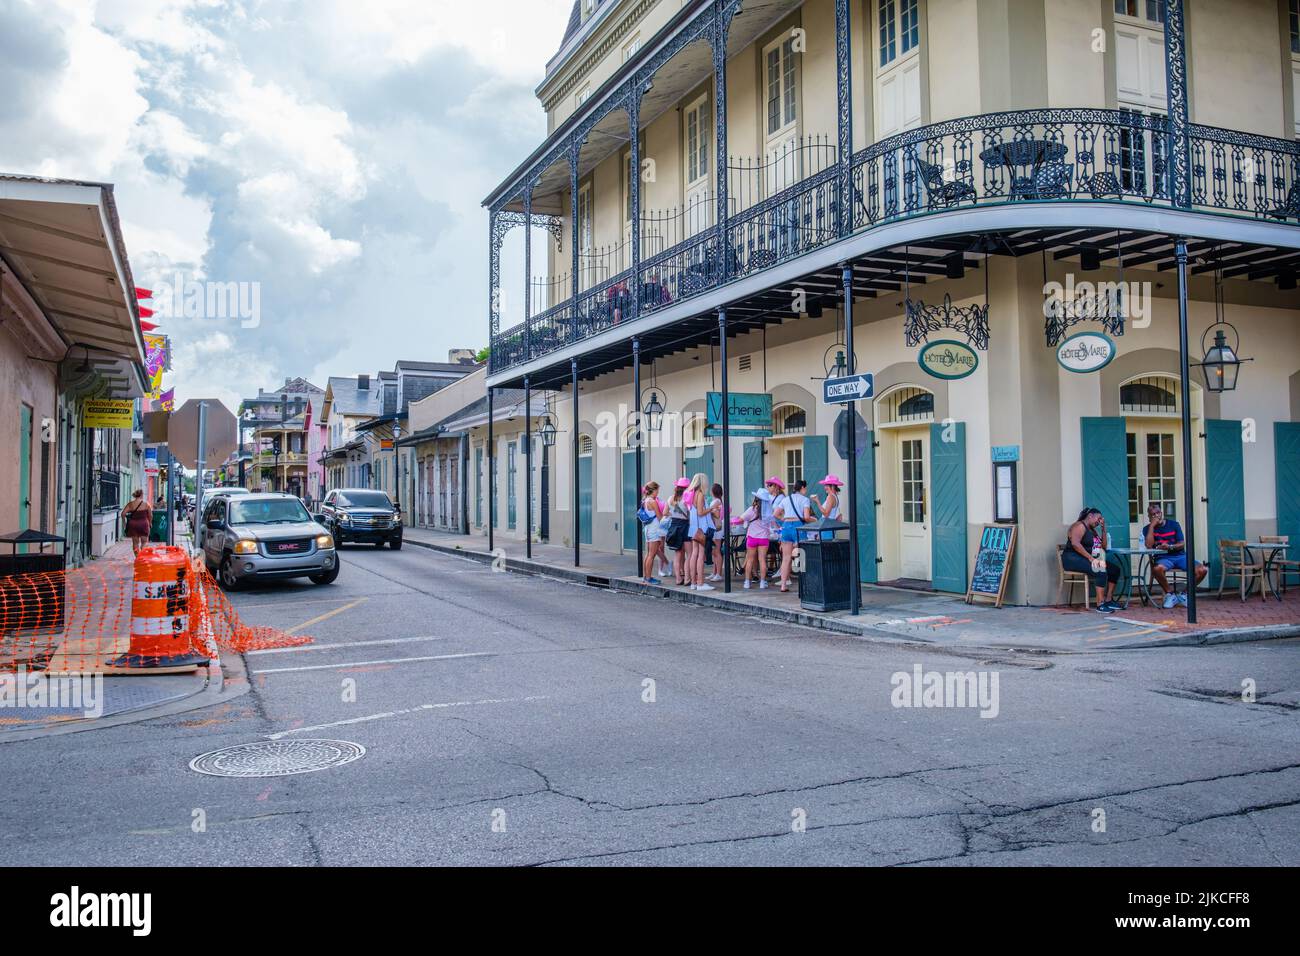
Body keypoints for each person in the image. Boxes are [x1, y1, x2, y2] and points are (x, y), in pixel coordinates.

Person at [1142, 503, 1208, 608]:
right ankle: (1170, 594)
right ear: (1149, 517)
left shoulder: (1174, 524)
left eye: (1158, 513)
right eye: (1152, 514)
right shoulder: (1147, 529)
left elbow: (1182, 543)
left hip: (1180, 556)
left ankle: (1184, 594)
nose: (1156, 516)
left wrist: (1170, 546)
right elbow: (1149, 546)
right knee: (1157, 569)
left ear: (1161, 513)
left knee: (1203, 570)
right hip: (1163, 558)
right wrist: (1152, 526)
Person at [1064, 507, 1123, 613]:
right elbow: (1075, 544)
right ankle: (1100, 605)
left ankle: (1108, 600)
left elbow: (1103, 547)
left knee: (1114, 570)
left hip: (1085, 559)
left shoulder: (1093, 531)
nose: (1100, 521)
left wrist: (1103, 528)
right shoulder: (1079, 526)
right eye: (1099, 518)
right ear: (1090, 516)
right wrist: (1091, 558)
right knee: (1100, 569)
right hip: (1072, 559)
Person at [733, 490, 772, 589]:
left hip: (752, 538)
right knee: (762, 560)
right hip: (764, 538)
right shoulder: (769, 511)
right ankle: (762, 583)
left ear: (756, 499)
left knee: (749, 560)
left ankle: (747, 582)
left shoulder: (752, 509)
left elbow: (740, 519)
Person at [770, 476, 802, 592]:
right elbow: (807, 516)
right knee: (801, 554)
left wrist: (784, 520)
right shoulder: (804, 499)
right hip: (798, 525)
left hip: (787, 526)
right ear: (802, 489)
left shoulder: (785, 499)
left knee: (786, 557)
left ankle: (783, 584)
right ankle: (803, 584)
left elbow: (775, 514)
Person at [685, 472, 712, 591]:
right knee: (700, 555)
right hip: (701, 528)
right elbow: (701, 512)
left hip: (693, 528)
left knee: (693, 554)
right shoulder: (700, 494)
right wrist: (711, 508)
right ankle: (700, 583)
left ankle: (693, 583)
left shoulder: (691, 494)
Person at [665, 478, 691, 585]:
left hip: (674, 525)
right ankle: (687, 578)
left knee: (677, 554)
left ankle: (678, 579)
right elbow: (691, 513)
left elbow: (665, 512)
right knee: (690, 554)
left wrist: (674, 516)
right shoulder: (686, 498)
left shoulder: (671, 498)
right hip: (685, 525)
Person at [641, 482, 665, 585]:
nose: (658, 493)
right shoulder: (653, 501)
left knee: (648, 554)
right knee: (652, 554)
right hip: (654, 529)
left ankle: (646, 577)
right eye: (657, 490)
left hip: (648, 529)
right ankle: (649, 578)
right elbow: (659, 517)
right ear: (653, 490)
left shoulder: (644, 500)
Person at [809, 474, 843, 540]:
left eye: (826, 485)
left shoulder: (830, 497)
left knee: (825, 547)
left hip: (826, 525)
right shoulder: (835, 497)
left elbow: (826, 514)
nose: (825, 487)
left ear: (832, 486)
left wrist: (817, 502)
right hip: (829, 525)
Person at [122, 489, 152, 555]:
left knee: (135, 543)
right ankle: (143, 557)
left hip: (133, 525)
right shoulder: (146, 504)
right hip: (144, 524)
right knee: (144, 542)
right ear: (141, 495)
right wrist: (150, 523)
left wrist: (124, 523)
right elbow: (150, 515)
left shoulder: (130, 504)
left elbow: (123, 513)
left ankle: (137, 558)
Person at [706, 483, 725, 582]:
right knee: (715, 551)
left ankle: (718, 574)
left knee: (717, 551)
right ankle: (715, 572)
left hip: (717, 528)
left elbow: (707, 511)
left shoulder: (716, 501)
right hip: (716, 527)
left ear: (713, 492)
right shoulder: (718, 501)